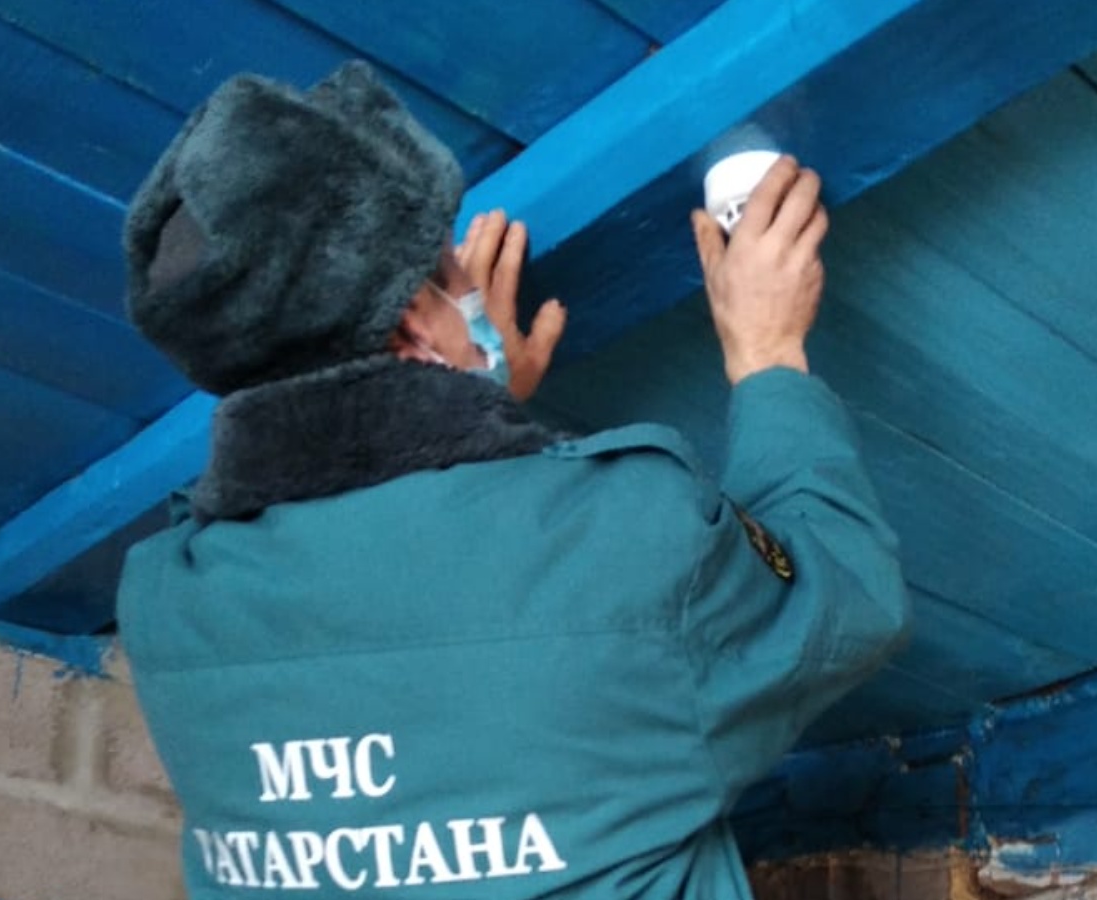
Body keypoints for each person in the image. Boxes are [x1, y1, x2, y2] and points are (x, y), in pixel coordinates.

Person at [118, 61, 911, 899]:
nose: (472, 283)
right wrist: (767, 353)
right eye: (452, 270)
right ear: (415, 331)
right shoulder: (623, 539)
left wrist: (471, 418)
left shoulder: (165, 604)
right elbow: (848, 592)